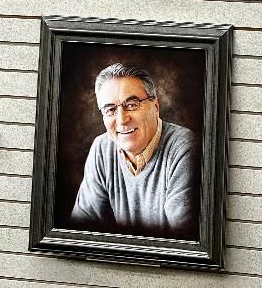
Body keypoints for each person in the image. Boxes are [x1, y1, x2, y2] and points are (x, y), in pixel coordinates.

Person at [70, 63, 198, 237]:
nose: (122, 120)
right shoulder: (102, 149)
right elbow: (80, 229)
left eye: (131, 104)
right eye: (111, 109)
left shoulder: (185, 150)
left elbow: (184, 241)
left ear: (155, 107)